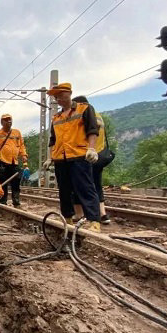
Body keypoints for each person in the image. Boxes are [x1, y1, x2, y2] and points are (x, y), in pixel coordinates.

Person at [43, 83, 101, 232]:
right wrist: (50, 157)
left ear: (69, 93)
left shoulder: (84, 109)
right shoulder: (56, 117)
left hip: (79, 155)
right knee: (64, 190)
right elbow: (53, 140)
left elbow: (92, 129)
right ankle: (67, 218)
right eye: (56, 97)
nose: (59, 99)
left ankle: (94, 221)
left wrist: (91, 148)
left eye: (61, 95)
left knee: (85, 188)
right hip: (60, 158)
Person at [71, 95, 112, 224]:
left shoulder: (84, 115)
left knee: (79, 186)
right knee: (96, 185)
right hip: (99, 155)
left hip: (86, 156)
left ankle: (80, 214)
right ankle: (102, 214)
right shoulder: (98, 115)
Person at [0, 114, 28, 206]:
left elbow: (21, 145)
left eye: (10, 119)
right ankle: (3, 202)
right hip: (2, 162)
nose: (9, 121)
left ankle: (16, 201)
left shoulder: (17, 133)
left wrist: (23, 155)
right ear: (2, 122)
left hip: (14, 162)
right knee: (3, 182)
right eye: (6, 120)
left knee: (16, 181)